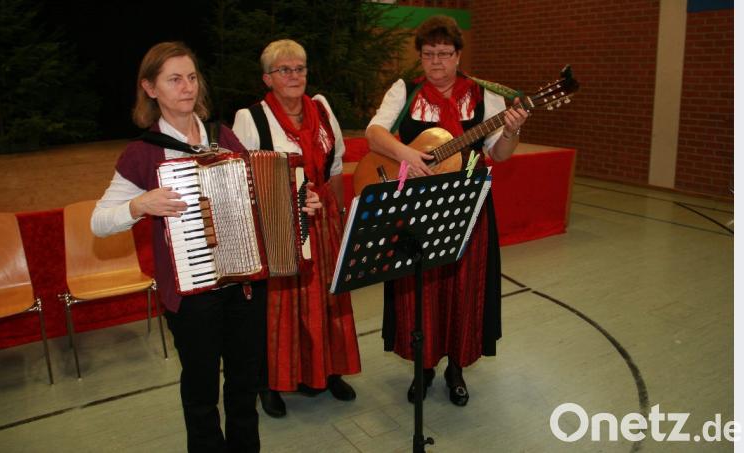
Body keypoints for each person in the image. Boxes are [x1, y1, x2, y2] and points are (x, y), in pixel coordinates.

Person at [90, 41, 322, 452]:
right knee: (200, 393)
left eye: (192, 77)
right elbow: (100, 221)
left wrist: (300, 202)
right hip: (191, 295)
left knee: (244, 385)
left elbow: (260, 193)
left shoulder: (223, 135)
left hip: (245, 287)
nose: (187, 87)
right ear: (150, 88)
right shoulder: (142, 154)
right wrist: (139, 204)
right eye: (174, 79)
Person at [365, 15, 528, 407]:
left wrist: (511, 130)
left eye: (444, 54)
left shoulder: (484, 95)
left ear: (458, 55)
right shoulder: (404, 90)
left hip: (468, 205)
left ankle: (456, 367)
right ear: (420, 56)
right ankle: (422, 367)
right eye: (428, 54)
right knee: (417, 289)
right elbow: (374, 133)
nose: (436, 62)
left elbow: (500, 156)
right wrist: (406, 153)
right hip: (415, 206)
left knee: (464, 288)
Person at [232, 39, 361, 418]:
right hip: (277, 223)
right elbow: (243, 182)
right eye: (284, 70)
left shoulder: (321, 108)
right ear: (267, 78)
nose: (294, 76)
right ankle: (271, 383)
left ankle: (326, 371)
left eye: (300, 68)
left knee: (328, 299)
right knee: (281, 308)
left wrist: (336, 215)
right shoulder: (251, 118)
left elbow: (335, 168)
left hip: (323, 219)